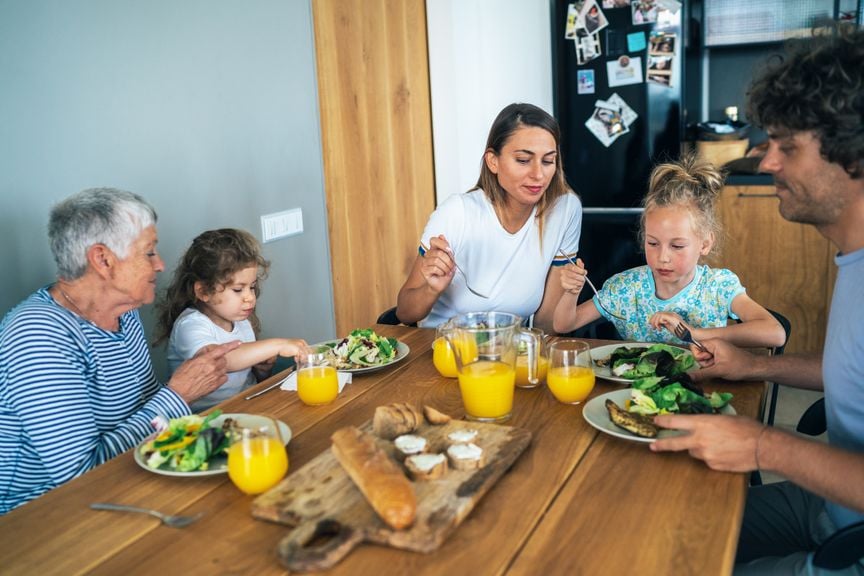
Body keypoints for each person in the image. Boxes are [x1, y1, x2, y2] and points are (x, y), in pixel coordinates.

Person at [650, 26, 864, 574]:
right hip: (828, 502)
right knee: (657, 529)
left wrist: (763, 447)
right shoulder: (851, 257)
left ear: (854, 157)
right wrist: (749, 366)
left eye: (786, 147)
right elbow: (853, 368)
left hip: (853, 544)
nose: (765, 162)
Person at [0, 188, 238, 514]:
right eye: (149, 252)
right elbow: (80, 476)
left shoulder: (123, 311)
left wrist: (187, 390)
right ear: (103, 260)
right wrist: (179, 395)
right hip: (44, 517)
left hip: (129, 485)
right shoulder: (38, 335)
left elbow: (145, 407)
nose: (160, 264)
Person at [553, 154, 787, 349]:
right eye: (653, 243)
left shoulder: (719, 287)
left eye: (677, 246)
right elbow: (564, 325)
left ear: (705, 244)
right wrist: (571, 291)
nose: (662, 257)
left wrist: (692, 333)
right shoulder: (626, 288)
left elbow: (775, 333)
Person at [395, 103, 583, 331]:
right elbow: (404, 313)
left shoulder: (564, 210)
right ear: (493, 161)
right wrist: (431, 290)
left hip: (511, 352)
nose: (538, 175)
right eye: (523, 160)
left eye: (547, 161)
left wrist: (570, 294)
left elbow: (545, 324)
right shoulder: (458, 212)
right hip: (444, 350)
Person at [155, 228, 306, 412]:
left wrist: (261, 370)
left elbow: (246, 378)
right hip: (208, 420)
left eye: (251, 287)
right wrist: (278, 345)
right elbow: (221, 361)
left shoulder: (241, 320)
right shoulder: (191, 325)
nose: (249, 297)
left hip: (246, 407)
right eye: (237, 289)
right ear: (203, 291)